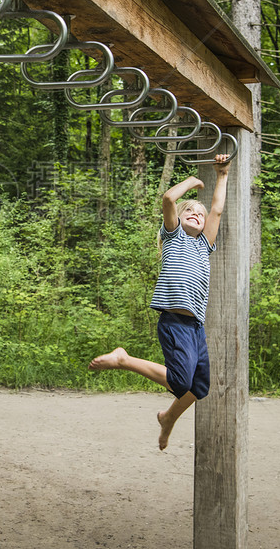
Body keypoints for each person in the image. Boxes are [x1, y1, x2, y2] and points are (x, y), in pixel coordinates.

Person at [88, 154, 231, 450]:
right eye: (189, 211)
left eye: (199, 215)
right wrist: (191, 183)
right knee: (180, 382)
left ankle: (167, 419)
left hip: (195, 326)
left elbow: (216, 210)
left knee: (197, 388)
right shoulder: (174, 237)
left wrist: (223, 175)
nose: (196, 214)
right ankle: (123, 359)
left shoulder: (204, 246)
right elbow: (168, 199)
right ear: (179, 218)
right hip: (174, 322)